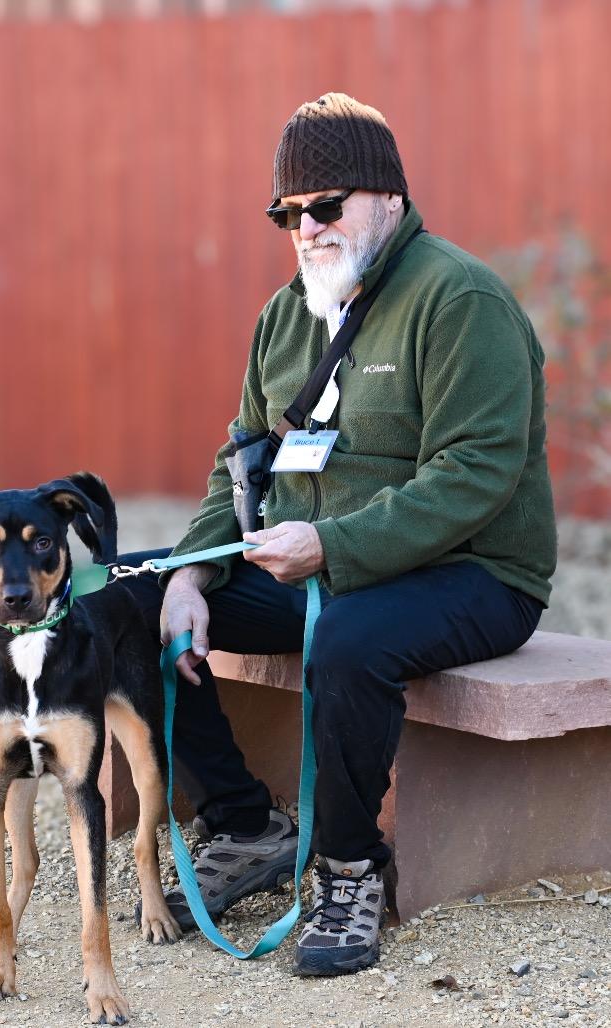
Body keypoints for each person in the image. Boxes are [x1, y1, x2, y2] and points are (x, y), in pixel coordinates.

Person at [121, 92, 556, 977]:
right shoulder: (287, 314)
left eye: (327, 206)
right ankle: (245, 826)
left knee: (351, 642)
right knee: (129, 596)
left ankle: (351, 870)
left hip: (473, 571)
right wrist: (188, 576)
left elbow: (476, 473)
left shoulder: (459, 297)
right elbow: (237, 460)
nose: (308, 227)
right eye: (290, 213)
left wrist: (333, 547)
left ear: (389, 199)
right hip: (313, 561)